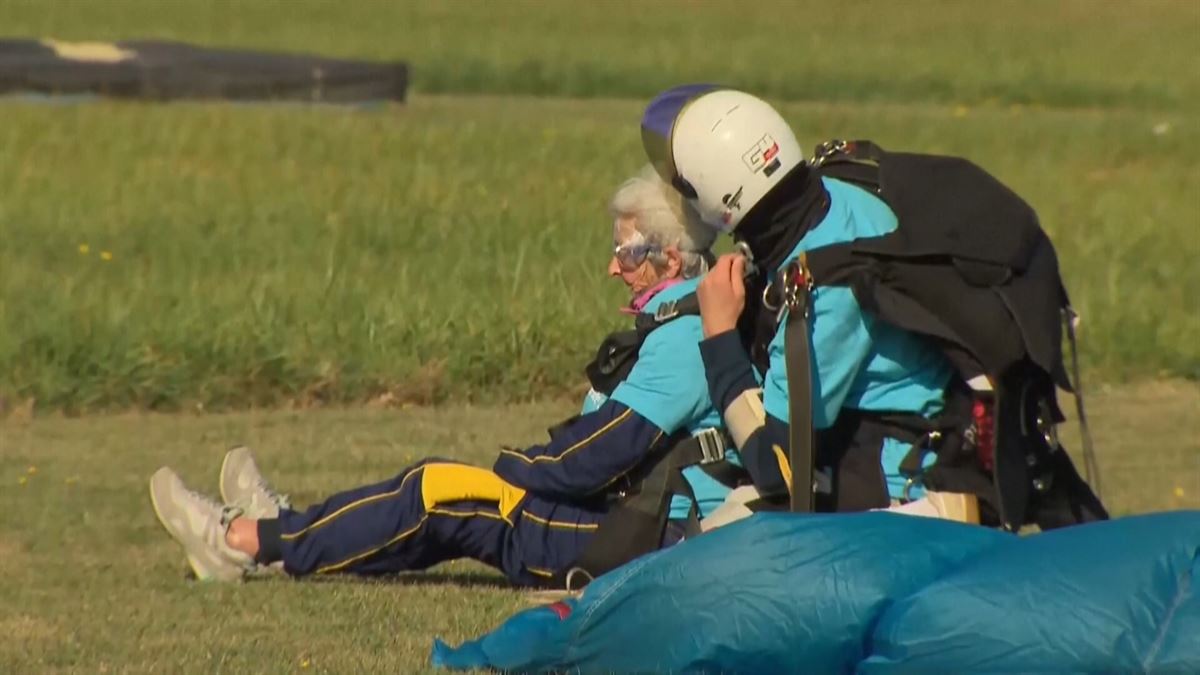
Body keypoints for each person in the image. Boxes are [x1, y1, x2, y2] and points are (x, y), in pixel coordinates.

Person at [148, 166, 743, 585]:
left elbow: (599, 453)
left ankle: (238, 543)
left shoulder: (685, 336)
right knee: (436, 492)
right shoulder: (683, 317)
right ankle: (283, 531)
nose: (612, 267)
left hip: (644, 541)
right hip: (635, 522)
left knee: (438, 494)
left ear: (670, 258)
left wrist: (514, 468)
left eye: (628, 254)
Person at [640, 85, 1106, 529]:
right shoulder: (834, 190)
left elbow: (778, 467)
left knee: (722, 540)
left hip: (913, 480)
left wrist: (720, 339)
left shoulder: (823, 286)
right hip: (904, 434)